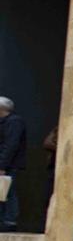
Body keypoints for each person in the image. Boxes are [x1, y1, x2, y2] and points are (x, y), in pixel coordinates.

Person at [0, 96, 27, 232]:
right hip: (5, 163)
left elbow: (11, 145)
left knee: (8, 192)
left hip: (8, 165)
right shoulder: (5, 122)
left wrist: (2, 166)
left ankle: (9, 222)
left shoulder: (14, 122)